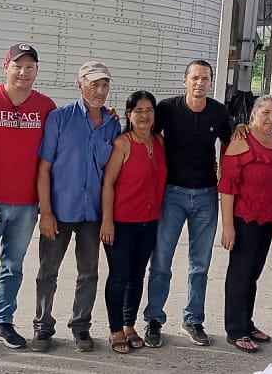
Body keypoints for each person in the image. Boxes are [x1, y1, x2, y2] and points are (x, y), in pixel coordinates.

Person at [0, 43, 56, 355]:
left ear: (37, 70)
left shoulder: (45, 106)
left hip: (26, 203)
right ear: (6, 67)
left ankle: (3, 322)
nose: (23, 72)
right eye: (17, 66)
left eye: (30, 67)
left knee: (13, 266)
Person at [32, 60, 121, 353]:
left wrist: (107, 217)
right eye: (94, 84)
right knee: (48, 272)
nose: (100, 90)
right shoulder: (59, 118)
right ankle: (43, 326)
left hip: (92, 214)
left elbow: (111, 174)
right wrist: (46, 212)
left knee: (89, 273)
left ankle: (81, 326)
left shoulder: (112, 124)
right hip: (59, 211)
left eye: (105, 84)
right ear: (79, 85)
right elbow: (44, 169)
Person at [143, 60, 233, 348]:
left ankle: (193, 320)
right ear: (185, 81)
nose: (199, 83)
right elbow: (143, 132)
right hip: (172, 193)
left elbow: (232, 144)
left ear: (211, 82)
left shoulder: (219, 112)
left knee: (200, 265)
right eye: (194, 77)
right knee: (161, 262)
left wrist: (249, 128)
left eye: (205, 78)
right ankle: (154, 319)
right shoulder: (168, 108)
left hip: (206, 195)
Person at [219, 95, 272, 353]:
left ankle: (247, 323)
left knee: (253, 274)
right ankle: (235, 330)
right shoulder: (241, 140)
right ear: (253, 113)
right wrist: (228, 226)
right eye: (265, 113)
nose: (270, 119)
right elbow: (227, 187)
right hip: (244, 218)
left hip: (267, 217)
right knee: (240, 274)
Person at [99, 90, 167, 354]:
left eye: (149, 110)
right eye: (138, 110)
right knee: (119, 276)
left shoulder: (159, 142)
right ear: (129, 114)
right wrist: (107, 220)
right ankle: (116, 328)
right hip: (121, 222)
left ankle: (129, 324)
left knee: (137, 276)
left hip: (149, 221)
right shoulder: (122, 143)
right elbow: (108, 183)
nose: (144, 115)